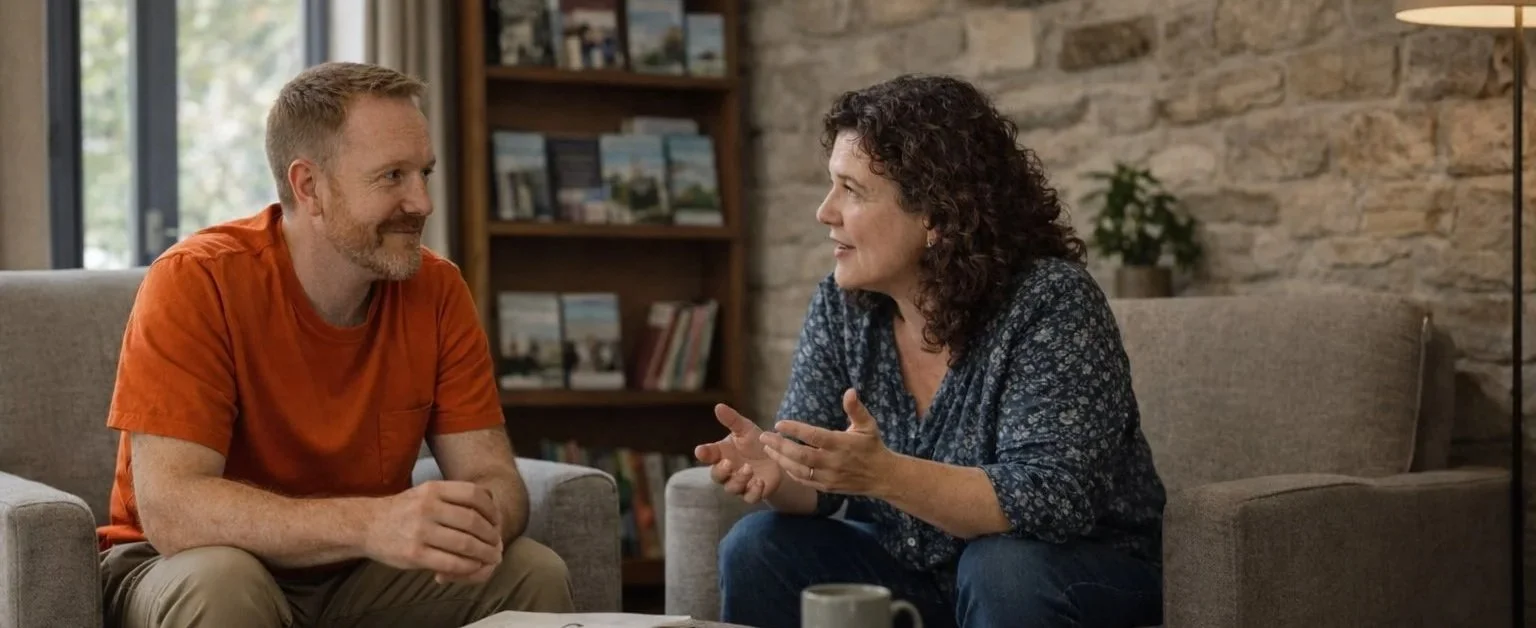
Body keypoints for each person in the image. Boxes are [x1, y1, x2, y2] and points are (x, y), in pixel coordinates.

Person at [96, 61, 574, 628]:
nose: (422, 202)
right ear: (310, 187)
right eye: (392, 176)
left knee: (530, 570)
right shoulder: (197, 280)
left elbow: (494, 479)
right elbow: (173, 511)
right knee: (223, 581)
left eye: (424, 172)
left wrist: (471, 517)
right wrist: (372, 524)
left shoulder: (438, 289)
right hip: (181, 565)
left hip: (356, 572)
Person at [694, 74, 1167, 628]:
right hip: (919, 571)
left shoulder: (1050, 302)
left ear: (937, 218)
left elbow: (1051, 500)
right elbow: (823, 481)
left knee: (1000, 566)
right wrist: (783, 474)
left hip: (1069, 573)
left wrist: (884, 475)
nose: (825, 212)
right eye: (831, 187)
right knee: (759, 545)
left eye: (852, 190)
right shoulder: (842, 306)